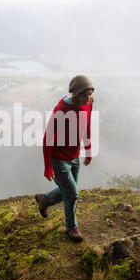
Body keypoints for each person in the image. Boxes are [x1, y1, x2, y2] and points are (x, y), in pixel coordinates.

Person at [35, 75, 94, 242]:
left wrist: (88, 150)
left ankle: (44, 200)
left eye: (90, 94)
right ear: (76, 94)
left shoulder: (88, 103)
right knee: (72, 193)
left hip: (75, 157)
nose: (89, 99)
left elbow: (87, 125)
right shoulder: (61, 109)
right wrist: (48, 167)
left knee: (68, 191)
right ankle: (71, 227)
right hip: (59, 158)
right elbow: (47, 139)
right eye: (86, 95)